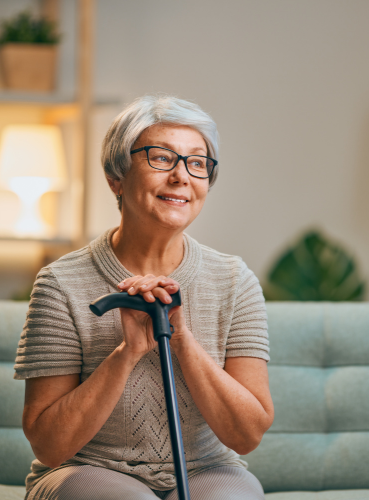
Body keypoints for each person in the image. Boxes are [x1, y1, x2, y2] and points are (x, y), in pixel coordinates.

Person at [14, 94, 274, 500]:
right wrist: (128, 351)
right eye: (161, 158)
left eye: (197, 162)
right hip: (85, 470)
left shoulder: (234, 281)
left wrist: (182, 339)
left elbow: (247, 434)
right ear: (115, 177)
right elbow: (49, 446)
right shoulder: (60, 283)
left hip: (207, 470)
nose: (181, 176)